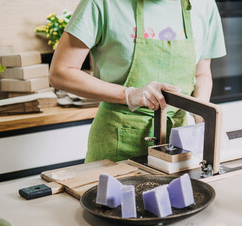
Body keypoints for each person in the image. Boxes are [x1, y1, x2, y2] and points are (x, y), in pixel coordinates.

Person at [49, 0, 226, 163]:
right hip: (117, 144)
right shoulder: (102, 3)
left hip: (177, 146)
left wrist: (203, 117)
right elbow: (60, 72)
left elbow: (202, 73)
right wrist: (129, 94)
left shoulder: (204, 4)